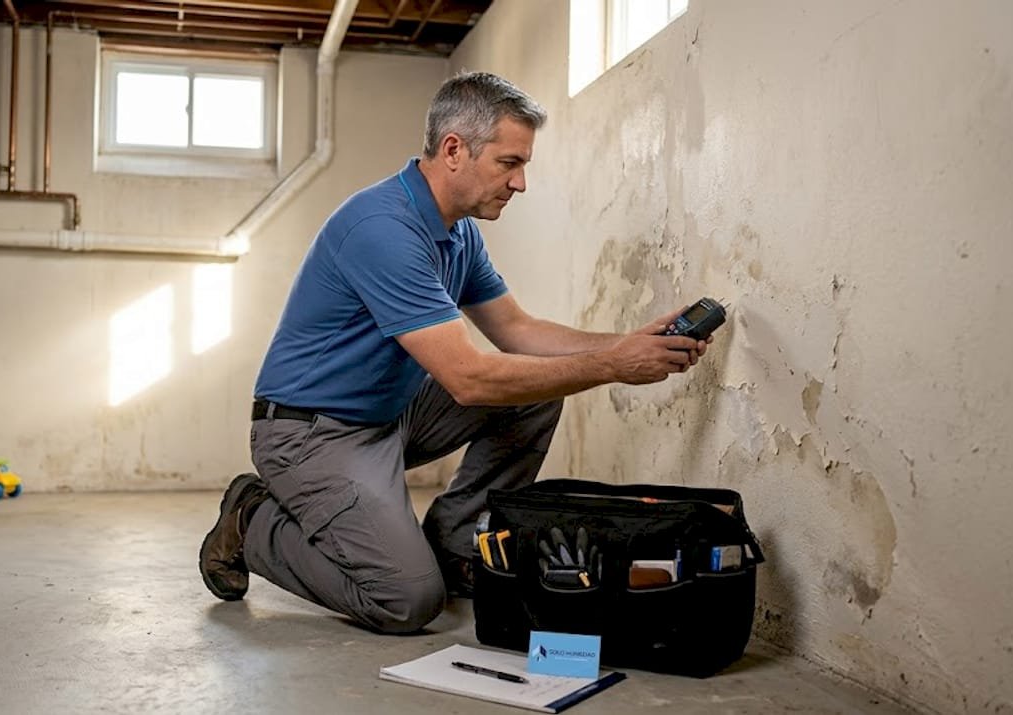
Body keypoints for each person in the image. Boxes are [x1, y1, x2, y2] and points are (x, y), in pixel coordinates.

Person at [199, 71, 708, 634]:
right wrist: (612, 367)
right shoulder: (382, 228)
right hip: (311, 434)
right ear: (453, 150)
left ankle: (452, 546)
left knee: (538, 392)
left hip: (389, 416)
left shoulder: (458, 232)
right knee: (405, 600)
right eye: (509, 163)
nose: (519, 183)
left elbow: (516, 329)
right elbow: (469, 379)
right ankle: (254, 520)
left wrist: (629, 343)